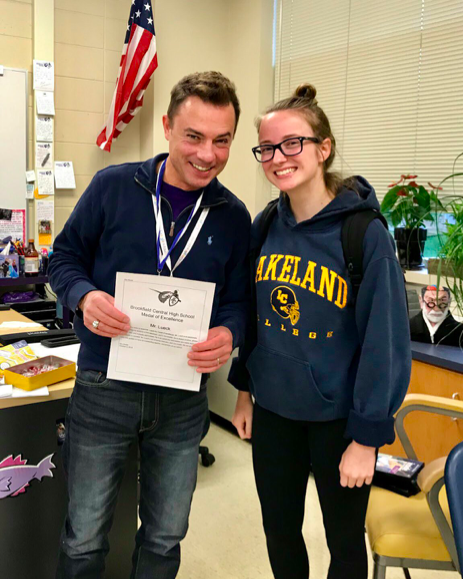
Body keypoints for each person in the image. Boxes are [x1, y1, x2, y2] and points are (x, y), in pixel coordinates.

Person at [48, 71, 251, 579]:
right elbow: (63, 259)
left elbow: (238, 304)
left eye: (222, 140)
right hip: (103, 388)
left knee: (164, 539)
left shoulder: (233, 216)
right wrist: (84, 294)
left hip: (182, 402)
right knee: (85, 538)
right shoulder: (114, 186)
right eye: (194, 137)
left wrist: (229, 335)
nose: (208, 154)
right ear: (166, 127)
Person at [229, 84, 411, 579]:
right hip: (274, 414)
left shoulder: (363, 233)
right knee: (280, 533)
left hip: (338, 423)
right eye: (266, 148)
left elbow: (384, 344)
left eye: (293, 143)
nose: (278, 158)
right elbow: (253, 318)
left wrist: (367, 438)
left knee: (344, 544)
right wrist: (245, 390)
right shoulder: (265, 225)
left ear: (323, 147)